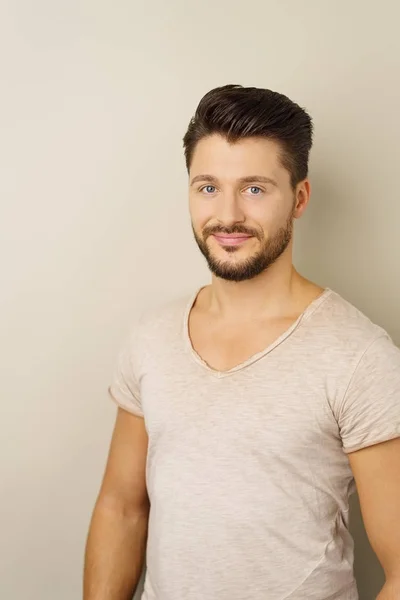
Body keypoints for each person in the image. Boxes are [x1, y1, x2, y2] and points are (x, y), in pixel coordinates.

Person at [83, 85, 400, 600]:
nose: (227, 215)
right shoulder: (152, 339)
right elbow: (122, 507)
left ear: (299, 198)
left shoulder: (359, 356)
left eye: (254, 188)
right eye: (208, 187)